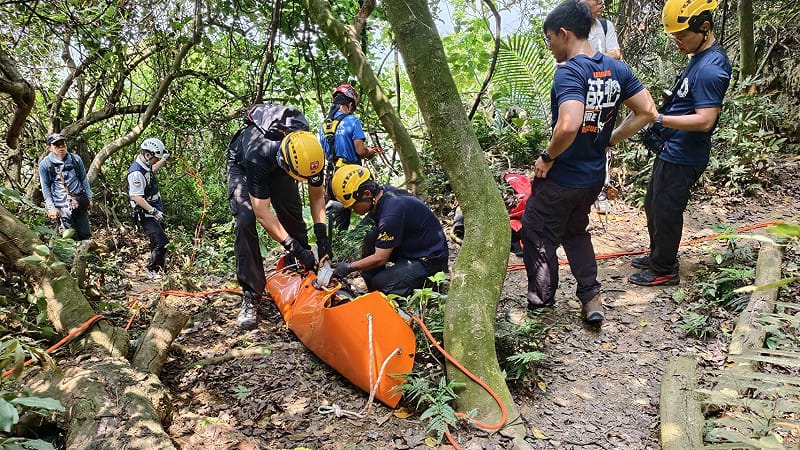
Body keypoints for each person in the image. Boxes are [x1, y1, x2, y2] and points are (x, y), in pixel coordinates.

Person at [521, 0, 657, 323]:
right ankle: (591, 297)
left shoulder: (569, 72)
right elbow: (648, 111)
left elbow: (569, 124)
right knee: (575, 230)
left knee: (536, 230)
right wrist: (611, 138)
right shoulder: (616, 69)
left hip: (563, 176)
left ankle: (541, 302)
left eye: (550, 38)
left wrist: (547, 157)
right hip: (593, 175)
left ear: (564, 33)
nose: (550, 46)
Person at [629, 0, 732, 287]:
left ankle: (664, 269)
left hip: (685, 154)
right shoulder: (699, 58)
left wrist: (659, 118)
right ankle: (658, 255)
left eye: (682, 35)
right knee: (653, 205)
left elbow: (705, 120)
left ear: (705, 27)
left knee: (667, 211)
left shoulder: (711, 68)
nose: (678, 42)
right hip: (672, 148)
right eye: (674, 36)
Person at [227, 104, 331, 330]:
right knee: (245, 220)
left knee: (292, 211)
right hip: (244, 166)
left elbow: (316, 197)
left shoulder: (311, 152)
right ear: (286, 163)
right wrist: (294, 247)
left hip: (281, 162)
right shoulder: (258, 154)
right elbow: (262, 213)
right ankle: (251, 295)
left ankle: (303, 272)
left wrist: (322, 236)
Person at [329, 165, 448, 298]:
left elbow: (380, 258)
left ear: (367, 194)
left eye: (353, 205)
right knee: (371, 238)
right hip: (411, 246)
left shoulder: (391, 213)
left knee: (381, 283)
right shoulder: (383, 194)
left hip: (429, 260)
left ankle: (417, 286)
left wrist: (349, 267)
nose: (353, 210)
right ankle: (376, 290)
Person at [580, 0, 622, 215]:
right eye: (596, 0)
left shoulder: (605, 25)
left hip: (602, 92)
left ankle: (599, 192)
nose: (601, 3)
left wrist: (591, 58)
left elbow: (616, 53)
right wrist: (600, 58)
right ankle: (579, 189)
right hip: (578, 93)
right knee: (577, 136)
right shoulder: (570, 24)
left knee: (601, 140)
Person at [319, 84, 376, 230]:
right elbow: (360, 151)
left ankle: (336, 241)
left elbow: (325, 154)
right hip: (352, 176)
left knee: (338, 219)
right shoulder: (352, 121)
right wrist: (370, 152)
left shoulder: (324, 126)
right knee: (374, 202)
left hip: (333, 177)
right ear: (350, 104)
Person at [128, 138, 170, 280]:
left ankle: (159, 269)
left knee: (156, 241)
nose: (156, 161)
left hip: (155, 207)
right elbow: (136, 196)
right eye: (155, 158)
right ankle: (151, 269)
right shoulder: (136, 173)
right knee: (161, 241)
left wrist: (163, 159)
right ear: (148, 155)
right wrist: (153, 211)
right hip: (145, 212)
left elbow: (153, 169)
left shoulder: (145, 165)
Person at [38, 133, 93, 241]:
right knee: (70, 238)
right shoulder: (45, 164)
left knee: (85, 234)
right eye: (56, 145)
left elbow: (83, 179)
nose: (61, 147)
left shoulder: (76, 159)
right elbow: (45, 187)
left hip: (79, 201)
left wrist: (89, 198)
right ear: (49, 148)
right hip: (61, 206)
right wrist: (51, 208)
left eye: (63, 144)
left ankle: (87, 250)